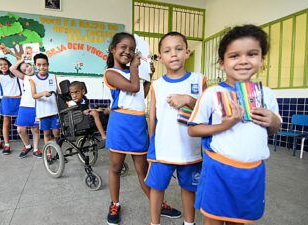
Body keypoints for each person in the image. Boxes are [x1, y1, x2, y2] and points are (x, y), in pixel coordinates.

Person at [188, 25, 282, 225]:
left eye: (252, 54)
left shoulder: (267, 94)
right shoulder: (212, 94)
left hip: (253, 171)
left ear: (262, 59)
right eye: (234, 56)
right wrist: (224, 125)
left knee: (242, 220)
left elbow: (274, 129)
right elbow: (193, 128)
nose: (243, 61)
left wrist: (273, 121)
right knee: (214, 218)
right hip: (219, 169)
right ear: (222, 63)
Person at [104, 32, 180, 225]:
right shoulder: (111, 73)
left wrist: (149, 76)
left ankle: (159, 204)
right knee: (115, 167)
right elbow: (132, 87)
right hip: (120, 124)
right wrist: (136, 68)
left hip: (137, 124)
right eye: (123, 47)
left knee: (142, 168)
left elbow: (140, 95)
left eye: (131, 49)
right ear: (113, 49)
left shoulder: (134, 72)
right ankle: (115, 203)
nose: (128, 52)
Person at [146, 32, 206, 225]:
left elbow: (209, 111)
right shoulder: (157, 85)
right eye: (167, 50)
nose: (173, 54)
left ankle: (189, 222)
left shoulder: (199, 80)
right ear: (160, 57)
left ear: (187, 52)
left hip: (190, 147)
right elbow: (152, 116)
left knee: (189, 187)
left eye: (179, 49)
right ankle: (154, 223)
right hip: (162, 147)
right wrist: (151, 141)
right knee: (157, 187)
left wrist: (188, 99)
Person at [10, 55, 41, 158]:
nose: (27, 69)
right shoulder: (25, 77)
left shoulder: (40, 76)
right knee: (20, 130)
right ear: (23, 73)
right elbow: (12, 69)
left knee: (35, 129)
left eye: (27, 66)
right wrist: (21, 60)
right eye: (24, 70)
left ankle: (36, 149)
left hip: (36, 105)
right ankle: (28, 146)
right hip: (24, 106)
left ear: (32, 65)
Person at [30, 53, 60, 149]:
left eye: (44, 64)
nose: (42, 67)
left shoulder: (53, 76)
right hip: (43, 113)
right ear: (35, 65)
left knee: (57, 132)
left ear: (48, 65)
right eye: (39, 65)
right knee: (46, 133)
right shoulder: (33, 79)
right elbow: (34, 95)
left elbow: (58, 91)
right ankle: (49, 153)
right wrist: (43, 93)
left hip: (55, 111)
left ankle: (58, 153)